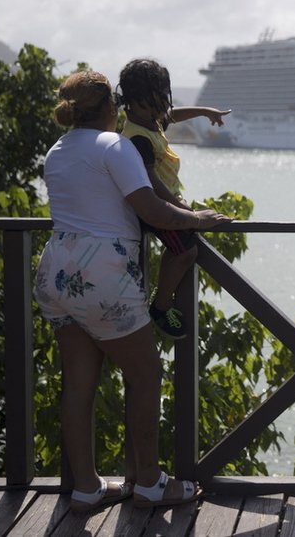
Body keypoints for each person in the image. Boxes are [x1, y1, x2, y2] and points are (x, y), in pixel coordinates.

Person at [33, 70, 230, 512]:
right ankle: (148, 483)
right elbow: (151, 209)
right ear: (109, 108)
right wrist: (199, 219)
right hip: (102, 275)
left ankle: (85, 488)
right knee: (144, 376)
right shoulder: (115, 146)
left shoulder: (57, 150)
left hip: (55, 273)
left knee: (79, 384)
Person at [117, 58, 231, 340]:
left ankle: (160, 297)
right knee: (186, 250)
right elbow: (151, 184)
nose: (162, 110)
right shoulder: (137, 137)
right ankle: (161, 304)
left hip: (165, 200)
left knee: (188, 240)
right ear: (136, 101)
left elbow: (172, 115)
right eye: (155, 102)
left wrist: (205, 111)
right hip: (153, 205)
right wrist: (183, 210)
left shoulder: (148, 120)